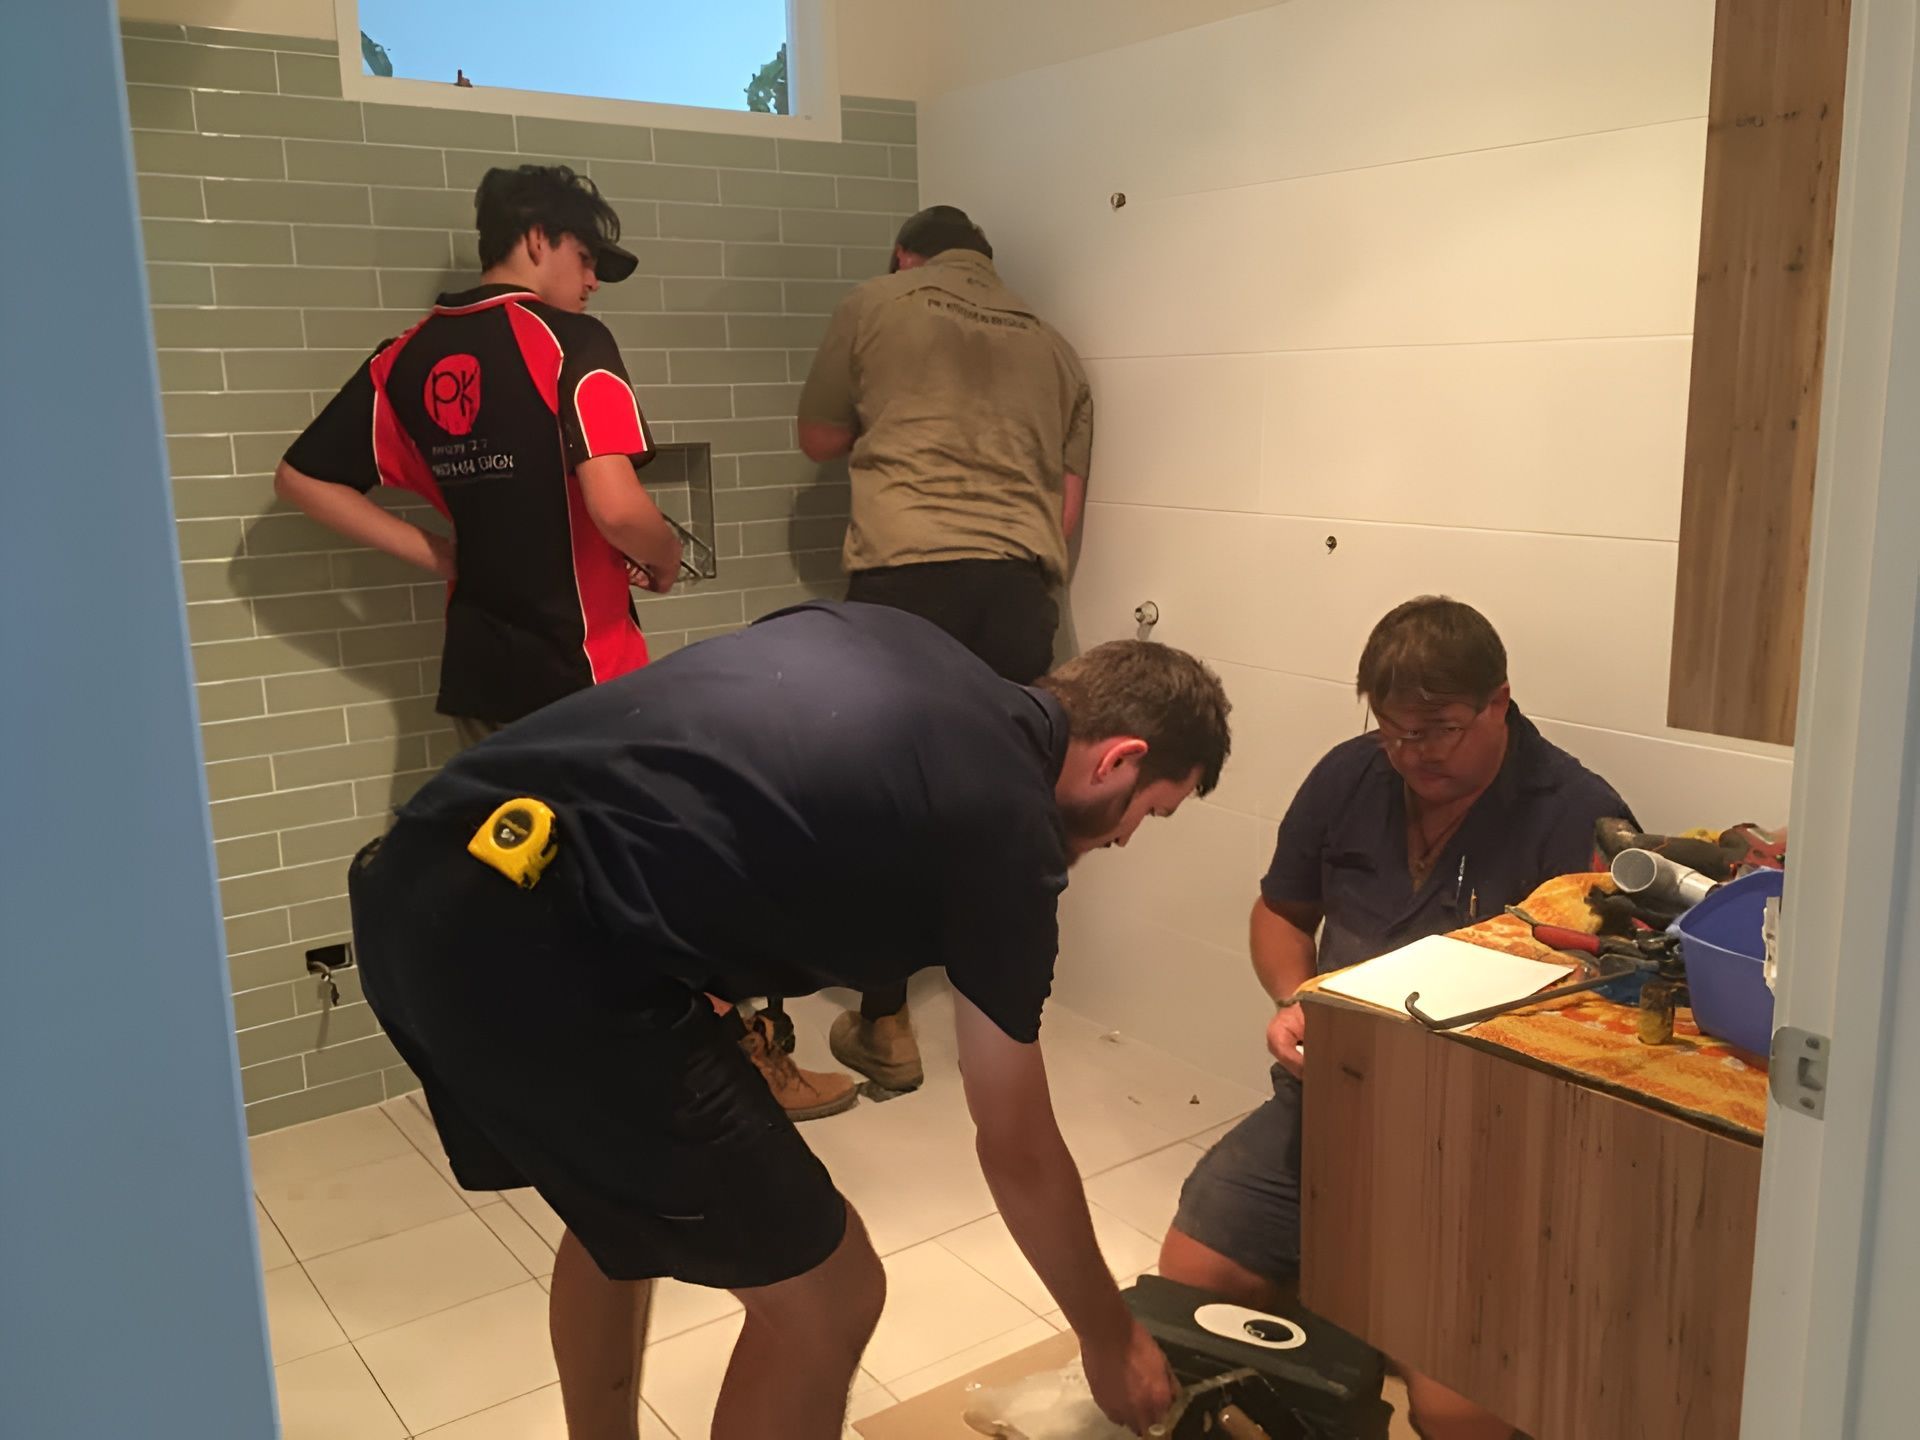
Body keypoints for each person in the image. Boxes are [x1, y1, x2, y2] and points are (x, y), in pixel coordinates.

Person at [346, 601, 1232, 1440]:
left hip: (422, 880)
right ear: (1117, 758)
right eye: (1148, 812)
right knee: (832, 1293)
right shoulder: (1006, 830)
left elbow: (723, 785)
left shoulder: (900, 639)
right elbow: (1017, 1147)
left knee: (618, 1208)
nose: (1123, 840)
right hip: (542, 953)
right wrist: (1108, 1336)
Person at [1157, 596, 1635, 1440]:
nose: (1414, 755)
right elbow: (1279, 913)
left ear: (1500, 700)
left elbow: (1607, 1010)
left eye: (1440, 729)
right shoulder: (1350, 774)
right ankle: (1340, 1318)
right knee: (1190, 1287)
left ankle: (1385, 1318)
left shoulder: (1575, 812)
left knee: (1462, 1410)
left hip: (1485, 1135)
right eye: (1394, 731)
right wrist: (1294, 998)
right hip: (1332, 1098)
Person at [789, 204, 1096, 1093]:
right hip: (1017, 592)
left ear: (905, 255)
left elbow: (818, 439)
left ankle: (885, 1023)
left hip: (905, 582)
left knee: (887, 801)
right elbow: (1066, 517)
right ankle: (999, 1022)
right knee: (996, 805)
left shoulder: (874, 302)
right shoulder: (1056, 344)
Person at [273, 163, 684, 748]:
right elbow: (617, 510)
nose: (593, 281)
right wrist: (666, 557)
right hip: (586, 674)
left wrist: (441, 554)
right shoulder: (574, 341)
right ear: (539, 238)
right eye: (587, 257)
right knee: (604, 840)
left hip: (480, 676)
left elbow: (299, 479)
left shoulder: (403, 360)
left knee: (501, 837)